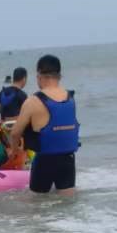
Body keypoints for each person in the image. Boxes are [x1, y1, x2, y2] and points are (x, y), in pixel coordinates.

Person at [8, 54, 80, 196]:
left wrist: (14, 151)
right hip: (68, 160)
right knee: (67, 203)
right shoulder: (71, 99)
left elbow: (15, 133)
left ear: (39, 75)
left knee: (37, 204)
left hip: (44, 161)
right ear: (59, 75)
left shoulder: (33, 101)